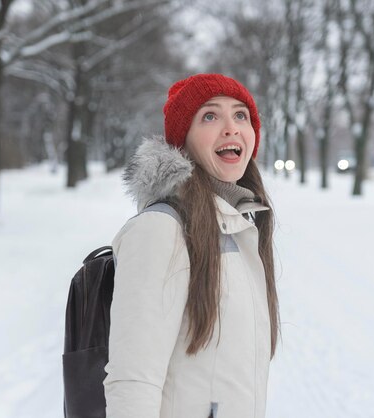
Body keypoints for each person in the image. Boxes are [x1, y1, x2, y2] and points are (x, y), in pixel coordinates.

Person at [104, 73, 281, 418]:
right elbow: (133, 380)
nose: (231, 128)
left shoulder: (239, 224)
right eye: (210, 116)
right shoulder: (161, 229)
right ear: (182, 140)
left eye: (240, 115)